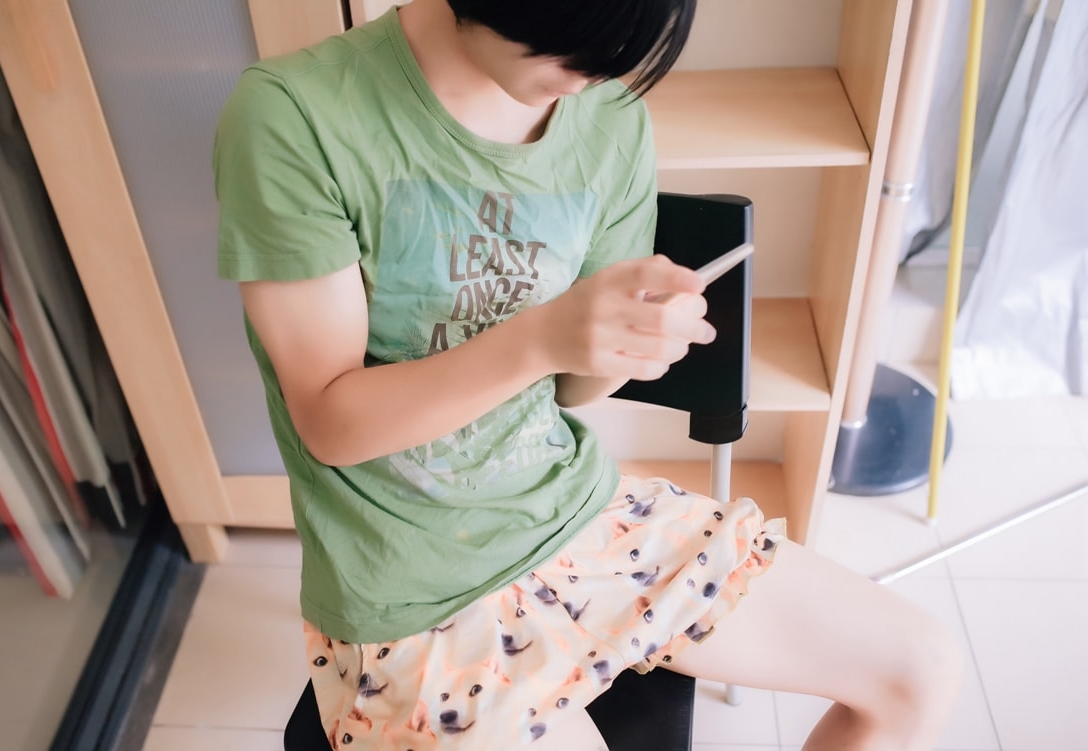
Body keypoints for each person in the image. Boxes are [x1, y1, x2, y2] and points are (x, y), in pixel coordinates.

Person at [214, 1, 964, 748]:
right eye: (569, 50)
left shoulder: (609, 119)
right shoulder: (296, 116)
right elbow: (330, 423)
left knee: (922, 668)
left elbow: (571, 390)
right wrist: (542, 337)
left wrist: (626, 344)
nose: (583, 83)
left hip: (577, 515)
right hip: (407, 590)